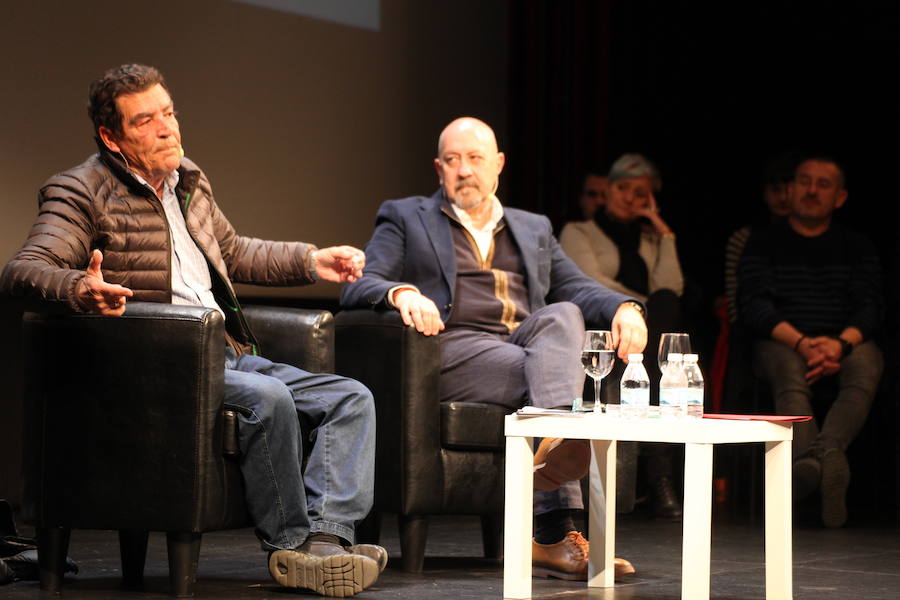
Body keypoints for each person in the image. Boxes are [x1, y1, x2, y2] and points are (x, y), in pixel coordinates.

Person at [0, 64, 385, 597]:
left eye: (169, 113)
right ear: (111, 137)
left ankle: (326, 542)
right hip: (159, 366)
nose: (166, 128)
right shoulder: (81, 190)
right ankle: (290, 548)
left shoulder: (187, 179)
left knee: (350, 398)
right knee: (269, 398)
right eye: (145, 121)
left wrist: (310, 260)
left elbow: (232, 252)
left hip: (223, 355)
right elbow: (23, 269)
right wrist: (81, 288)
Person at [340, 117, 647, 581]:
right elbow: (358, 283)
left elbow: (576, 286)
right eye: (452, 160)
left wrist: (626, 307)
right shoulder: (406, 217)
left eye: (475, 158)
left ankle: (553, 452)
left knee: (565, 314)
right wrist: (401, 292)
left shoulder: (533, 227)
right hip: (453, 349)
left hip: (525, 344)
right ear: (438, 168)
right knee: (555, 372)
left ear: (498, 164)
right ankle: (556, 528)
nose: (464, 169)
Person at [738, 155, 883, 528]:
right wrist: (802, 342)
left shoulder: (857, 246)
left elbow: (870, 306)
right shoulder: (763, 242)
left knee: (867, 362)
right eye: (804, 181)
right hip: (782, 340)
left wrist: (840, 345)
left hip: (842, 342)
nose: (812, 190)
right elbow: (754, 305)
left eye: (823, 184)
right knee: (789, 371)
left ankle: (816, 460)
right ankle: (824, 459)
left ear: (840, 197)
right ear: (791, 189)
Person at [560, 153, 684, 520]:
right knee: (659, 317)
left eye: (640, 193)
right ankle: (659, 475)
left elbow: (671, 286)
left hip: (645, 328)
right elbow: (590, 283)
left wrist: (665, 235)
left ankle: (656, 471)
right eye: (623, 188)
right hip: (603, 324)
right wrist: (637, 307)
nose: (630, 198)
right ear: (608, 190)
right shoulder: (579, 231)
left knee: (666, 305)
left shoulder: (649, 239)